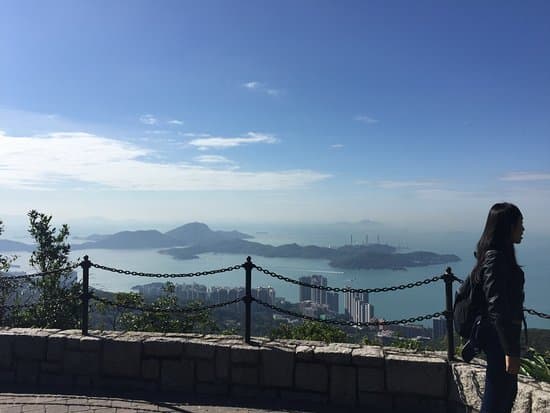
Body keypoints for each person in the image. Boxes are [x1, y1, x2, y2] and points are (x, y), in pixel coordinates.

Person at [471, 202, 525, 413]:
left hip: (501, 338)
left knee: (506, 393)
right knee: (498, 397)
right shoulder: (495, 258)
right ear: (508, 226)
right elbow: (497, 307)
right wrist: (510, 351)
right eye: (520, 224)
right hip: (498, 340)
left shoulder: (497, 255)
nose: (523, 229)